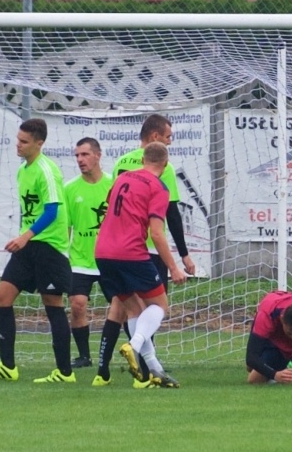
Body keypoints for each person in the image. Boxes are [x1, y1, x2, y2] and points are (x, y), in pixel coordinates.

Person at [0, 117, 77, 384]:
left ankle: (65, 372)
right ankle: (8, 366)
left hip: (49, 247)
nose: (18, 145)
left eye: (24, 141)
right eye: (17, 140)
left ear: (39, 143)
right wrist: (25, 238)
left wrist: (25, 236)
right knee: (2, 298)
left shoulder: (47, 170)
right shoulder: (23, 170)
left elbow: (52, 211)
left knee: (53, 304)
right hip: (28, 246)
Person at [92, 142, 186, 389]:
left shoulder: (122, 179)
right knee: (159, 306)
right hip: (130, 252)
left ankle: (155, 370)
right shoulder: (159, 187)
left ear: (143, 160)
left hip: (102, 252)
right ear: (165, 164)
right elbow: (157, 233)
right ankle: (133, 345)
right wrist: (174, 267)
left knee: (134, 309)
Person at [111, 114, 196, 375]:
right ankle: (137, 349)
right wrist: (181, 259)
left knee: (130, 309)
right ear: (156, 137)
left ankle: (144, 367)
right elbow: (170, 216)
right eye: (168, 137)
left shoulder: (121, 166)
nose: (170, 141)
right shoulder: (162, 173)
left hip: (111, 248)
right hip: (143, 250)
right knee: (157, 307)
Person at [63, 136, 114, 369]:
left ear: (98, 155)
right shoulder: (70, 188)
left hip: (108, 257)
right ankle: (84, 356)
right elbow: (66, 227)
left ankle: (134, 352)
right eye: (77, 155)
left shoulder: (113, 185)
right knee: (77, 304)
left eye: (84, 154)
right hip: (80, 259)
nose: (80, 159)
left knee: (121, 307)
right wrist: (62, 256)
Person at [245, 290, 292, 385]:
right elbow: (251, 358)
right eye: (290, 333)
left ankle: (289, 359)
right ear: (282, 319)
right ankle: (288, 364)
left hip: (283, 348)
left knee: (254, 380)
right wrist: (275, 375)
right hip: (268, 326)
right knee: (250, 367)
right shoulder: (267, 314)